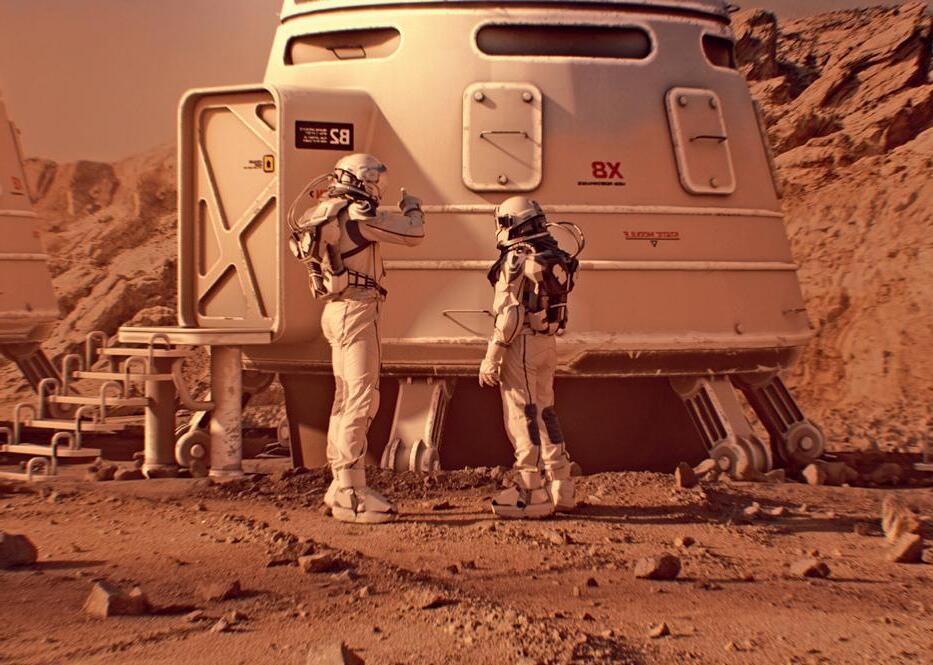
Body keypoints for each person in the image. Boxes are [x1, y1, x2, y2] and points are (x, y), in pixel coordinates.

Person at [288, 153, 424, 524]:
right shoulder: (356, 215)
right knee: (362, 399)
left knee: (345, 397)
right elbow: (414, 234)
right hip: (358, 310)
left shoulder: (323, 213)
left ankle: (340, 483)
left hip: (335, 311)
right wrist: (412, 207)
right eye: (375, 180)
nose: (377, 187)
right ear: (361, 179)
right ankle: (351, 492)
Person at [478, 196, 581, 519]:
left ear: (510, 223)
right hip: (546, 343)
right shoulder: (553, 253)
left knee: (522, 415)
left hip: (520, 345)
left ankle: (531, 490)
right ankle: (561, 486)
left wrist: (493, 355)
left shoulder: (516, 258)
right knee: (546, 412)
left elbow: (510, 313)